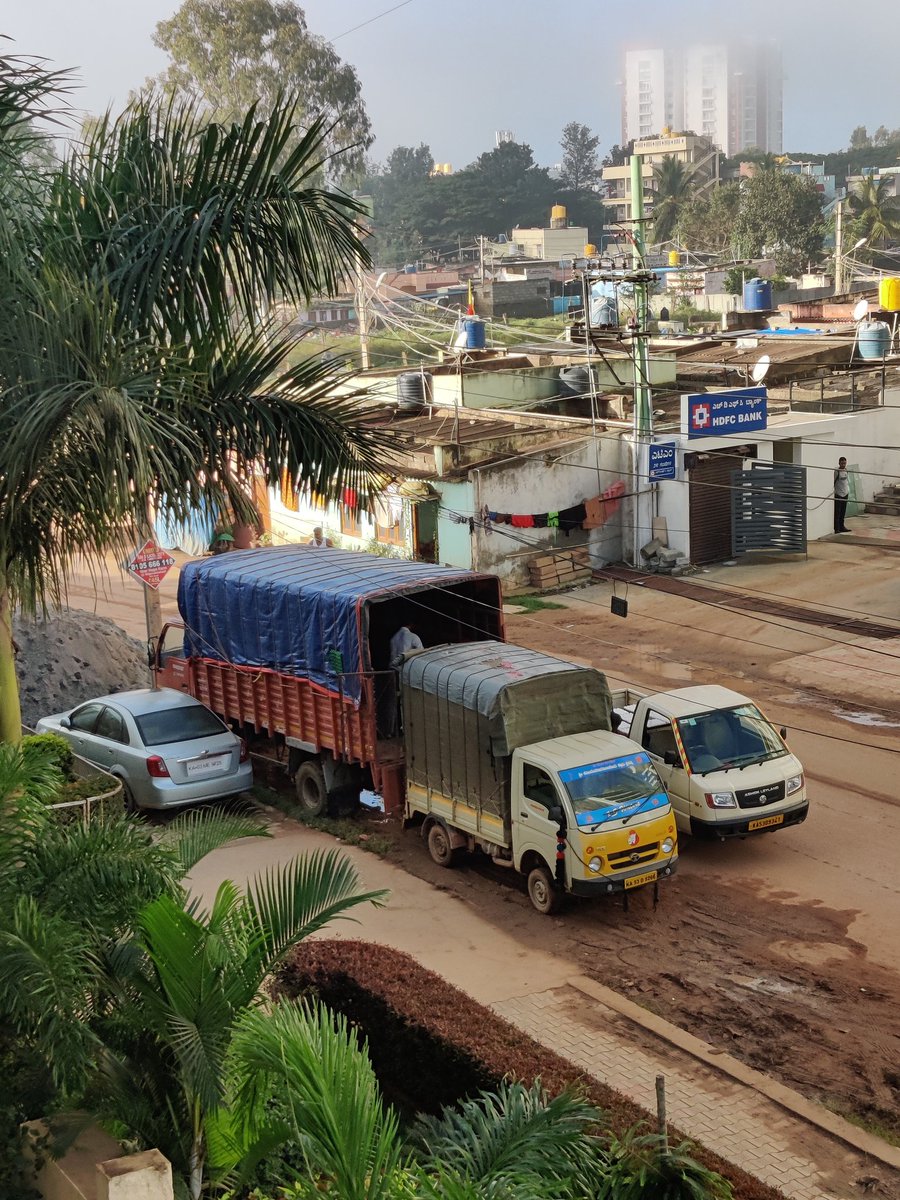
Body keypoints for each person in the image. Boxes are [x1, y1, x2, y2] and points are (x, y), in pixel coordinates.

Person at [833, 457, 850, 534]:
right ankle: (837, 528)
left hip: (845, 493)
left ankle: (842, 526)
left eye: (844, 463)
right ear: (839, 463)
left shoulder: (846, 470)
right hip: (838, 494)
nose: (843, 465)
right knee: (837, 512)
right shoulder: (837, 471)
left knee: (843, 512)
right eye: (842, 463)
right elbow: (834, 481)